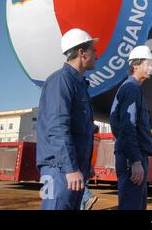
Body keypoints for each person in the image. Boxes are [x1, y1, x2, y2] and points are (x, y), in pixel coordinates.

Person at [37, 28, 98, 210]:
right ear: (81, 53)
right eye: (93, 51)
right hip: (58, 169)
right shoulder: (60, 81)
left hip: (73, 169)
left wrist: (85, 165)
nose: (97, 55)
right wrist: (70, 168)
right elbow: (57, 127)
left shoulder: (80, 85)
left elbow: (81, 130)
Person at [109, 45, 152, 210]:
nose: (151, 67)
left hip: (132, 155)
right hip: (132, 158)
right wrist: (135, 160)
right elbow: (127, 127)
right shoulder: (131, 89)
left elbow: (116, 123)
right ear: (135, 66)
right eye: (148, 63)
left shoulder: (133, 89)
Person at [80, 124, 100, 210]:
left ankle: (88, 196)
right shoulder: (97, 137)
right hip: (91, 164)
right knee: (83, 185)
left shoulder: (89, 137)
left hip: (86, 163)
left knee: (80, 187)